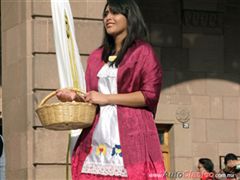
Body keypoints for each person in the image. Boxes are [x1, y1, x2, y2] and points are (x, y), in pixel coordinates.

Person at [57, 0, 166, 179]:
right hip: (98, 135)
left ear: (129, 17)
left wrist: (107, 98)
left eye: (114, 13)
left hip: (131, 133)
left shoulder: (142, 51)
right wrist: (75, 96)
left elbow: (149, 96)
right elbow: (93, 97)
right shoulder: (96, 56)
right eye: (106, 14)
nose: (108, 18)